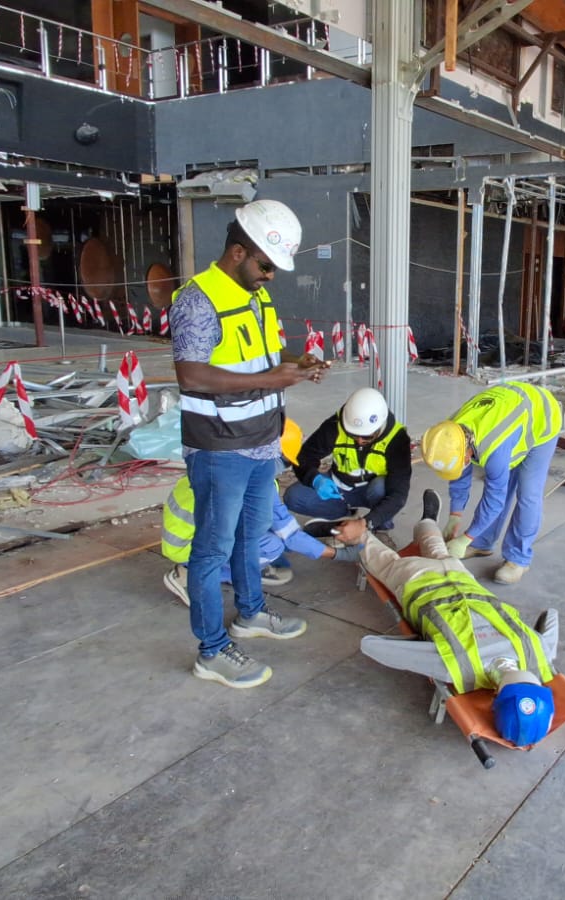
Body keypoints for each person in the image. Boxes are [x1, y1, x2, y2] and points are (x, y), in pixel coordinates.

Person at [172, 198, 326, 688]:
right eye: (265, 265)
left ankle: (251, 612)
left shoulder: (255, 296)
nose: (270, 276)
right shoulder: (198, 300)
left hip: (261, 441)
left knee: (250, 533)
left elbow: (265, 355)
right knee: (212, 549)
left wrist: (296, 363)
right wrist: (269, 380)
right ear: (238, 252)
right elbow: (191, 375)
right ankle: (212, 651)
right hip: (220, 447)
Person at [334, 490, 559, 746]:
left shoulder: (539, 651)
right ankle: (356, 534)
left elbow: (551, 616)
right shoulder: (457, 668)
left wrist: (542, 655)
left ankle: (427, 521)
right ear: (495, 701)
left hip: (460, 576)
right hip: (418, 583)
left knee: (437, 549)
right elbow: (372, 645)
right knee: (386, 563)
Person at [160, 419, 345, 599]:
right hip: (187, 546)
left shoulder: (226, 459)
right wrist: (337, 554)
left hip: (181, 536)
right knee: (273, 546)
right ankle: (191, 575)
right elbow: (289, 535)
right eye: (286, 462)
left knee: (266, 530)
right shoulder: (256, 483)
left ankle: (228, 566)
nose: (284, 468)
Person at [420, 382, 562, 585]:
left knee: (528, 493)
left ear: (467, 451)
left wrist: (466, 537)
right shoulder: (450, 435)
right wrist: (454, 516)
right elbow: (459, 475)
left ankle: (518, 559)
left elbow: (495, 499)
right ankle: (482, 543)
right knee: (502, 480)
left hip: (542, 416)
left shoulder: (493, 450)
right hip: (511, 410)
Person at [283, 387, 412, 537]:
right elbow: (304, 456)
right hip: (339, 488)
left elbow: (398, 495)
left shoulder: (397, 439)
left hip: (371, 491)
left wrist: (366, 523)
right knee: (294, 497)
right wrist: (315, 479)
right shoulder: (335, 425)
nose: (359, 440)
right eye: (353, 434)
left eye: (367, 437)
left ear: (379, 427)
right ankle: (343, 517)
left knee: (381, 488)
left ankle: (379, 529)